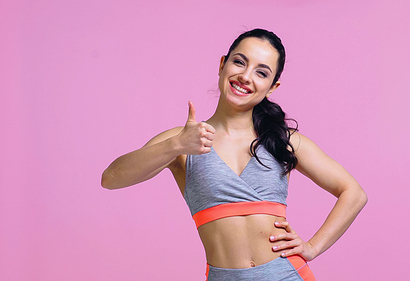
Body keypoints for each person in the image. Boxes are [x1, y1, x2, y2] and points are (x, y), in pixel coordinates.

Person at [101, 28, 367, 281]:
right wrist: (177, 145)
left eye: (261, 73)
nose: (246, 76)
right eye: (239, 62)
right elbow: (111, 178)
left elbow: (354, 193)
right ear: (222, 64)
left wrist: (313, 247)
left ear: (272, 87)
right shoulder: (183, 141)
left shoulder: (283, 141)